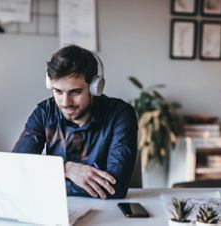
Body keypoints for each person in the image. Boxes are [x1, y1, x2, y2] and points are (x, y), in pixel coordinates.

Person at [12, 45, 138, 199]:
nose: (65, 102)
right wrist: (65, 169)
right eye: (58, 91)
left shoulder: (121, 114)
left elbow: (114, 188)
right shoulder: (44, 112)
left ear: (95, 88)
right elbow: (17, 168)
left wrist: (46, 179)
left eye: (75, 92)